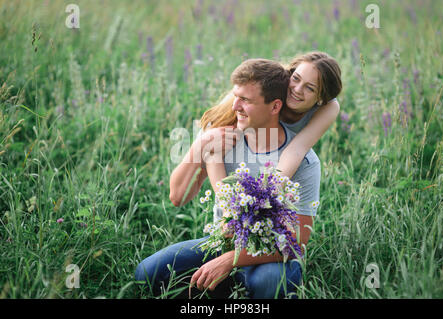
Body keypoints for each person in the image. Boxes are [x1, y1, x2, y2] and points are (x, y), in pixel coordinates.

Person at [135, 55, 341, 298]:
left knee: (269, 282)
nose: (296, 90)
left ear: (275, 106)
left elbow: (296, 243)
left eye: (245, 100)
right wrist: (202, 143)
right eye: (295, 80)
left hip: (270, 253)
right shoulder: (226, 131)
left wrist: (231, 259)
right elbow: (178, 197)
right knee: (147, 274)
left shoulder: (305, 160)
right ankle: (226, 288)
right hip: (224, 241)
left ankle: (239, 284)